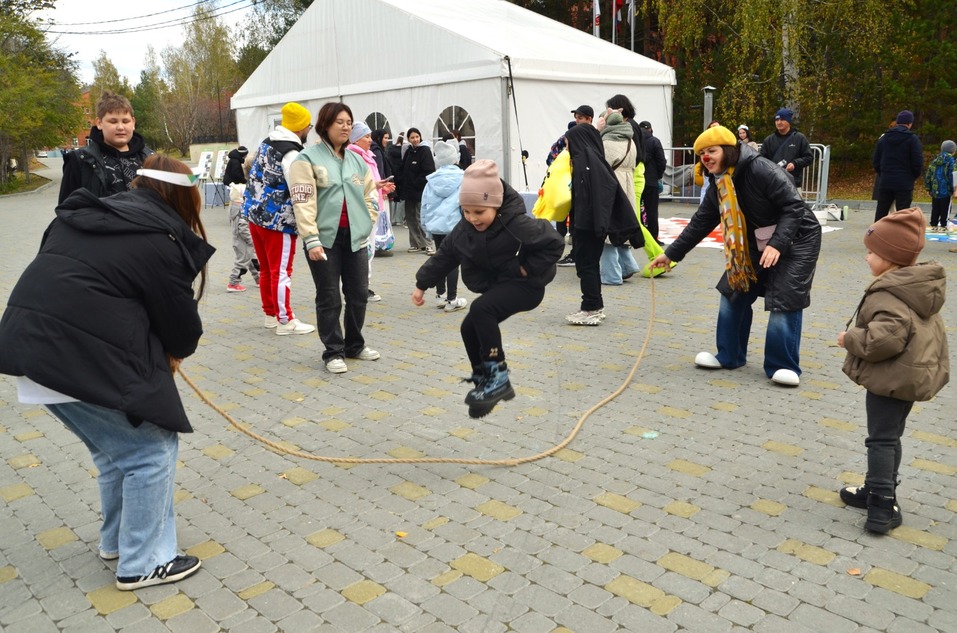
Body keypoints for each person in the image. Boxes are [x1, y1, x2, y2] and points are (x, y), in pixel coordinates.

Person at [0, 155, 214, 590]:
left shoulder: (90, 214)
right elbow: (180, 326)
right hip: (72, 357)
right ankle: (143, 561)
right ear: (183, 196)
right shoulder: (159, 238)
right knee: (149, 452)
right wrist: (175, 350)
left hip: (31, 350)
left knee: (118, 451)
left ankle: (117, 540)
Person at [650, 125, 822, 386]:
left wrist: (777, 243)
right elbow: (702, 221)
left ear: (728, 150)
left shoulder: (761, 169)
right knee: (733, 291)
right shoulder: (719, 179)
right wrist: (671, 255)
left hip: (797, 239)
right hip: (752, 241)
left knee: (784, 300)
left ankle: (783, 365)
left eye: (711, 151)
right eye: (702, 153)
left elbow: (793, 207)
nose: (706, 157)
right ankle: (729, 355)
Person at [412, 160, 564, 418]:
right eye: (467, 211)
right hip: (501, 285)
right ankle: (484, 376)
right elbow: (446, 255)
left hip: (527, 286)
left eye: (479, 212)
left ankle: (498, 377)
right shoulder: (465, 228)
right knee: (468, 326)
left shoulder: (516, 224)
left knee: (481, 309)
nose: (473, 218)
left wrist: (526, 268)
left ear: (495, 205)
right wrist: (421, 284)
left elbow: (554, 243)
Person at [836, 207, 948, 534]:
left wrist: (850, 338)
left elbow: (882, 340)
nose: (867, 258)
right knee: (890, 436)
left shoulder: (891, 293)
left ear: (890, 258)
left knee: (880, 440)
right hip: (908, 376)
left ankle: (882, 505)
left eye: (872, 253)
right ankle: (877, 489)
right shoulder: (915, 285)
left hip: (892, 378)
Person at [288, 102, 380, 374]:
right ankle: (333, 351)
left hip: (355, 238)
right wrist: (311, 239)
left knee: (359, 294)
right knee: (329, 297)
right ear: (324, 125)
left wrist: (367, 222)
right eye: (339, 122)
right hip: (324, 240)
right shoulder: (306, 159)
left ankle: (355, 345)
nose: (346, 126)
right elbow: (302, 202)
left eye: (349, 122)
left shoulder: (356, 160)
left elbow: (370, 195)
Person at [243, 102, 315, 335]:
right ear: (302, 127)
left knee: (266, 269)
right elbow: (298, 187)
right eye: (308, 126)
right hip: (278, 221)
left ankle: (270, 315)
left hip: (254, 216)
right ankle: (286, 321)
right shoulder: (291, 153)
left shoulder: (266, 143)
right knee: (281, 271)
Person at [564, 123, 642, 326]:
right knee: (587, 265)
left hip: (588, 225)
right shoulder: (594, 161)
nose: (566, 147)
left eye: (568, 143)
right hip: (591, 224)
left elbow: (593, 198)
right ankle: (594, 305)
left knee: (587, 265)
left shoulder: (586, 164)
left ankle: (591, 308)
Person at [59, 90, 154, 203]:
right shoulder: (80, 161)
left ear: (133, 123)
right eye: (113, 122)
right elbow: (67, 210)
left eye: (125, 121)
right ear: (99, 123)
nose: (120, 127)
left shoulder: (150, 159)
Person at [347, 121, 396, 302]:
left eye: (369, 136)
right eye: (366, 137)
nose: (370, 140)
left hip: (373, 207)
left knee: (369, 251)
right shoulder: (353, 157)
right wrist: (375, 186)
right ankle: (356, 289)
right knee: (362, 250)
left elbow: (370, 184)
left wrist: (382, 188)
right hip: (362, 209)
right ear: (355, 139)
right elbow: (355, 185)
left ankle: (363, 286)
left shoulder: (368, 156)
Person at [421, 139, 467, 312]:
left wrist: (426, 228)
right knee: (453, 262)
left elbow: (424, 206)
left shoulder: (431, 181)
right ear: (455, 158)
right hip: (455, 226)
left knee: (440, 258)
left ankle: (440, 295)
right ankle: (452, 299)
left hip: (437, 227)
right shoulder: (463, 179)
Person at [597, 110, 641, 285]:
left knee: (607, 229)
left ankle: (611, 275)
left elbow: (600, 165)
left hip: (611, 185)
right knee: (621, 226)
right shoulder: (630, 140)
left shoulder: (606, 142)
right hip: (628, 183)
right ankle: (628, 265)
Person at [872, 110, 924, 222]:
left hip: (886, 180)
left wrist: (883, 173)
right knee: (903, 215)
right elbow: (917, 162)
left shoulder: (884, 138)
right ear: (910, 124)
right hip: (904, 182)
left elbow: (876, 161)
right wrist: (912, 177)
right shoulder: (912, 139)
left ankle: (877, 235)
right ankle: (900, 237)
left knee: (881, 212)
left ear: (897, 122)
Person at [223, 146, 259, 292]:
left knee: (251, 258)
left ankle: (258, 278)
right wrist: (252, 238)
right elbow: (242, 224)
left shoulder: (238, 198)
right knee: (243, 259)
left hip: (243, 234)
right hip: (243, 236)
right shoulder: (240, 199)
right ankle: (233, 282)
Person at [399, 127, 436, 253]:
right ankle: (416, 243)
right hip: (409, 192)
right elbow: (403, 169)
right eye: (412, 137)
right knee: (410, 218)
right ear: (408, 139)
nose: (415, 139)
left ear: (420, 137)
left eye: (417, 137)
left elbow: (429, 171)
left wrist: (416, 182)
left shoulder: (425, 151)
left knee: (421, 218)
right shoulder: (409, 151)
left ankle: (428, 243)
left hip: (420, 191)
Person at [758, 108, 812, 190]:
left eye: (782, 119)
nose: (779, 122)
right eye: (777, 120)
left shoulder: (800, 138)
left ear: (789, 121)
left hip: (793, 184)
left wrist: (795, 163)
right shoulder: (768, 140)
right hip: (773, 183)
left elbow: (809, 157)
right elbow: (761, 161)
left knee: (794, 203)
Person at [637, 120, 666, 243]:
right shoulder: (655, 141)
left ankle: (638, 235)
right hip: (651, 181)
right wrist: (658, 175)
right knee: (652, 210)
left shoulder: (635, 141)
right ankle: (653, 237)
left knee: (637, 208)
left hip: (637, 180)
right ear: (650, 129)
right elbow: (661, 162)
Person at [924, 140, 955, 232]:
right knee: (945, 207)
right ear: (952, 150)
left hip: (935, 189)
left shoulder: (935, 160)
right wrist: (954, 188)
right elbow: (952, 175)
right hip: (946, 189)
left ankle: (934, 223)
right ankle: (943, 224)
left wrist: (928, 187)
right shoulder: (951, 161)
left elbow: (928, 174)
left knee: (935, 207)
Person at [386, 133, 406, 225]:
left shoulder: (390, 149)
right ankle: (399, 219)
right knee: (401, 198)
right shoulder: (404, 150)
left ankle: (391, 218)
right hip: (401, 175)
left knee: (393, 197)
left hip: (392, 175)